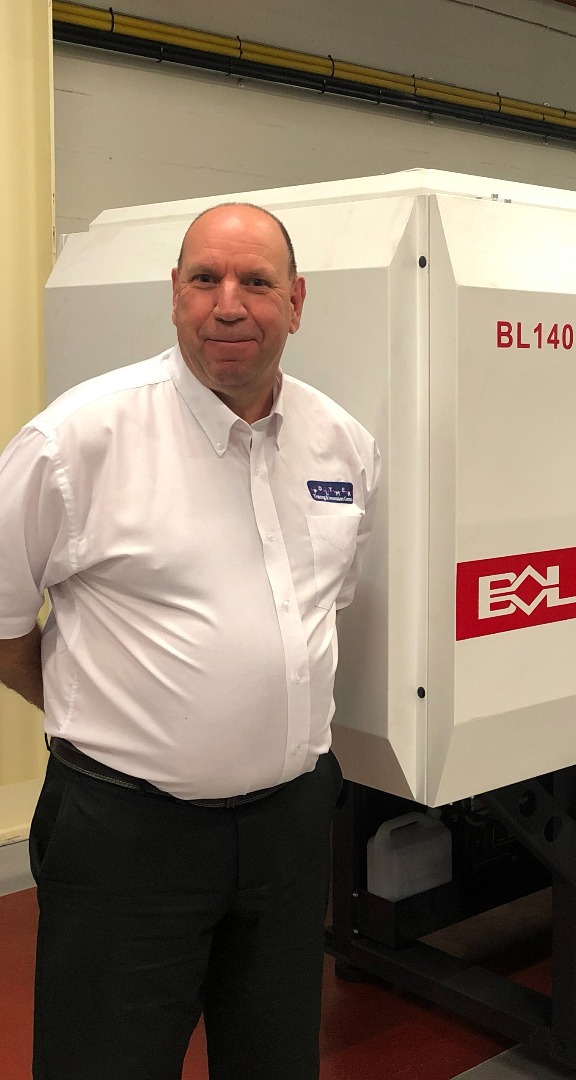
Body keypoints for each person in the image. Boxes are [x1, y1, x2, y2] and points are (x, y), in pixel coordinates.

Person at [0, 202, 380, 1079]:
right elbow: (5, 621)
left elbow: (325, 611)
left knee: (276, 1060)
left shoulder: (341, 443)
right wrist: (88, 709)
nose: (229, 303)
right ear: (175, 295)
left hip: (288, 830)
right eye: (205, 279)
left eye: (256, 282)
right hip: (126, 840)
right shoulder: (77, 440)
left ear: (297, 301)